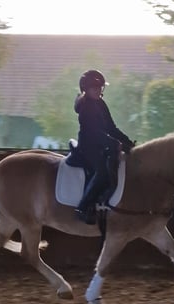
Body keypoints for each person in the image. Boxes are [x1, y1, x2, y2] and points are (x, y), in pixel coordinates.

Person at [72, 69, 135, 224]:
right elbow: (94, 132)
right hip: (88, 146)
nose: (99, 90)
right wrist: (114, 143)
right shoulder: (86, 107)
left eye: (100, 87)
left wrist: (128, 143)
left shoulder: (100, 103)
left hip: (101, 145)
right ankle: (83, 207)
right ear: (86, 89)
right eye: (95, 87)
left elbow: (111, 128)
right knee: (102, 171)